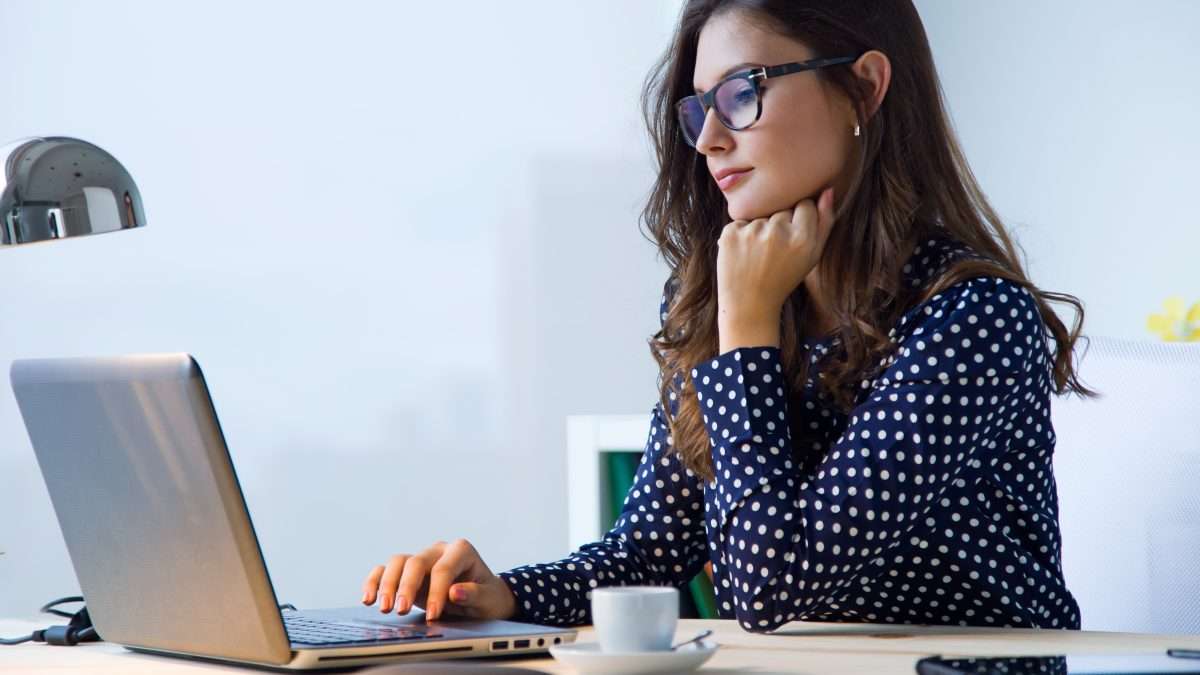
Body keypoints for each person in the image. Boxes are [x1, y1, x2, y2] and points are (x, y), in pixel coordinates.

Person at [360, 0, 1093, 633]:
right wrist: (501, 594)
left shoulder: (972, 317)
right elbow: (647, 554)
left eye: (744, 92)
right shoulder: (726, 299)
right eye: (699, 106)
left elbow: (768, 589)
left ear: (864, 88)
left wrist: (745, 330)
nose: (710, 137)